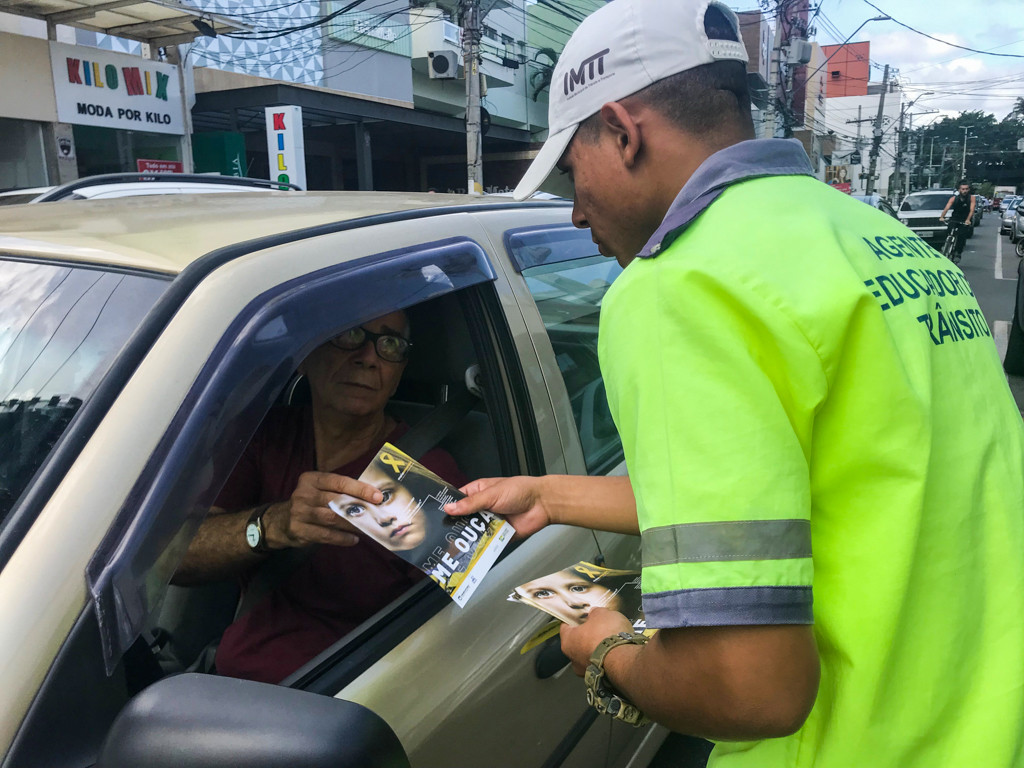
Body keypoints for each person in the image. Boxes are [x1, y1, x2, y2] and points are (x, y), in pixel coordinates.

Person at [447, 1, 1024, 766]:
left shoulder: (682, 286)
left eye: (569, 171)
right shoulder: (878, 239)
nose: (576, 208)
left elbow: (754, 693)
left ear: (623, 132)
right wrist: (550, 496)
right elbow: (817, 494)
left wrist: (608, 647)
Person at [173, 309, 465, 684]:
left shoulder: (422, 473)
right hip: (228, 681)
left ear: (396, 378)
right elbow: (178, 560)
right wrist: (272, 525)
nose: (369, 357)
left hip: (339, 700)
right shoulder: (266, 436)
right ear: (306, 356)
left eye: (390, 344)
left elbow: (456, 627)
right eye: (349, 335)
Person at [939, 180, 976, 263]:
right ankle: (945, 246)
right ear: (959, 190)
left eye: (966, 189)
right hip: (955, 218)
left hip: (964, 220)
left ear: (968, 190)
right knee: (948, 231)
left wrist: (968, 219)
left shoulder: (972, 198)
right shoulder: (954, 198)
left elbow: (971, 210)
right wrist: (942, 216)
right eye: (963, 189)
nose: (964, 191)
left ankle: (958, 253)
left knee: (961, 237)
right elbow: (946, 208)